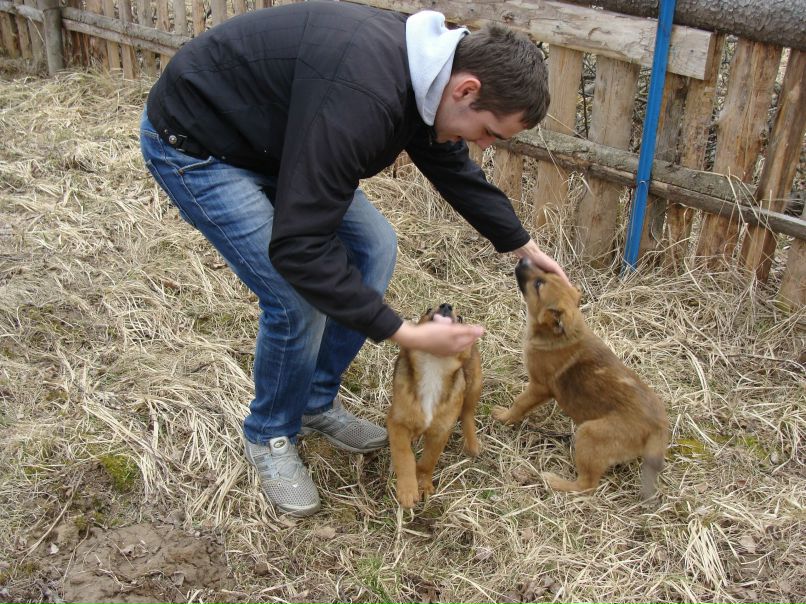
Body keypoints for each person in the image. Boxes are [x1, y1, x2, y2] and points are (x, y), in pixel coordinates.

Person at [140, 0, 568, 517]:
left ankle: (314, 402)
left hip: (282, 138)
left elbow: (447, 161)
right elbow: (300, 248)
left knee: (374, 246)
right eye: (489, 133)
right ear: (467, 90)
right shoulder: (363, 93)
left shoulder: (427, 74)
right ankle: (270, 432)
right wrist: (405, 334)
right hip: (201, 144)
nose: (480, 145)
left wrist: (523, 245)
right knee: (295, 295)